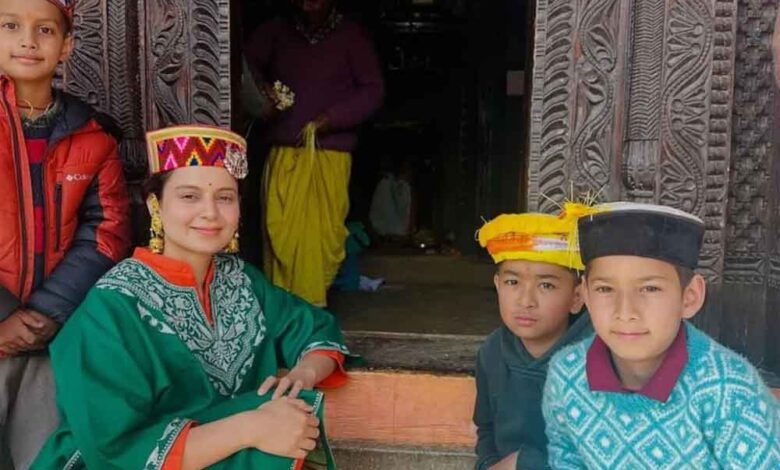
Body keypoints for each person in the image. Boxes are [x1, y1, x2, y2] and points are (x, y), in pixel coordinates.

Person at [32, 125, 351, 470]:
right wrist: (250, 428)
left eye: (225, 198)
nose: (210, 212)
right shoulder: (112, 307)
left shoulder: (241, 280)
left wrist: (303, 374)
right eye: (189, 196)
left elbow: (314, 330)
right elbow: (115, 449)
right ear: (155, 205)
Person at [543, 202, 780, 469]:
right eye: (605, 289)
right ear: (585, 294)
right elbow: (566, 457)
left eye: (650, 289)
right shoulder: (567, 374)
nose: (626, 312)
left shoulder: (731, 392)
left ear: (689, 297)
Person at [0, 0, 130, 467]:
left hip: (53, 333)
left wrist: (42, 314)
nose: (28, 40)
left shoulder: (93, 135)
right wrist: (5, 318)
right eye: (10, 26)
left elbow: (107, 232)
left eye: (45, 30)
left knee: (40, 452)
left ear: (67, 45)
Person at [245, 0, 384, 307]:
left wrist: (330, 119)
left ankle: (312, 308)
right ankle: (283, 308)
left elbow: (373, 90)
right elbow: (242, 66)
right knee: (280, 233)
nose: (308, 5)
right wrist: (263, 93)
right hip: (284, 153)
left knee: (320, 239)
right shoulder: (275, 31)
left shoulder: (351, 36)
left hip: (328, 155)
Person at [473, 212, 592, 470]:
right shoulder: (492, 352)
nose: (526, 300)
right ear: (497, 285)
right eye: (512, 282)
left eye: (546, 285)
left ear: (577, 297)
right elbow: (486, 429)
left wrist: (524, 463)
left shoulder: (596, 360)